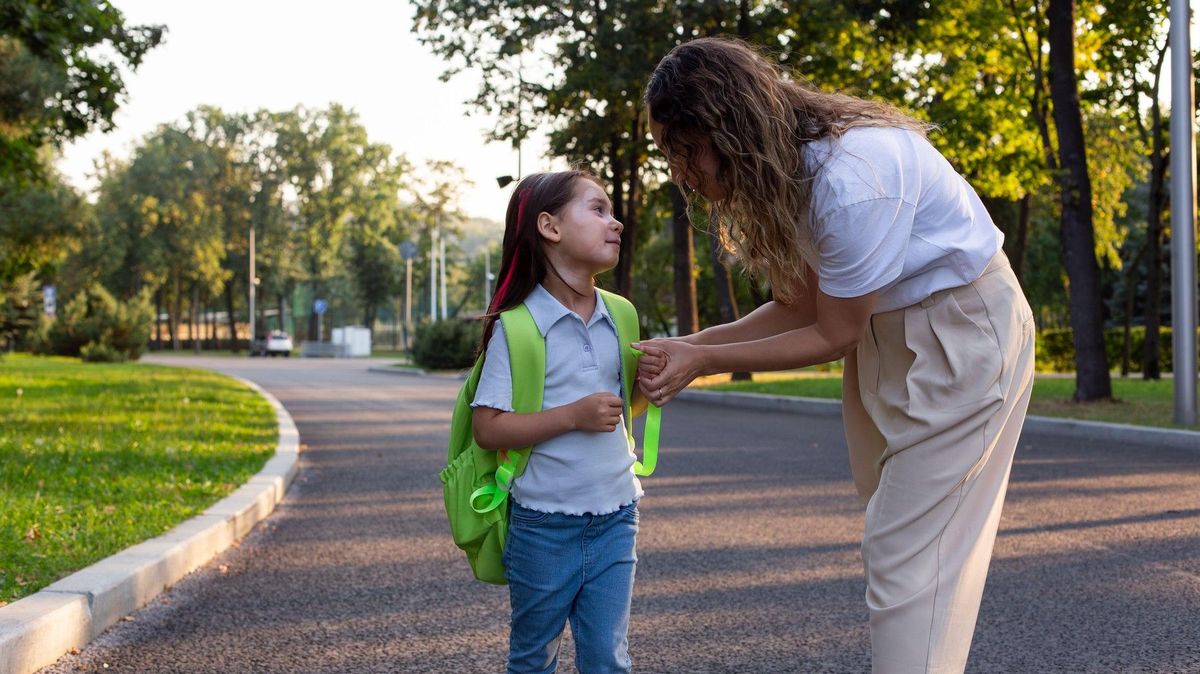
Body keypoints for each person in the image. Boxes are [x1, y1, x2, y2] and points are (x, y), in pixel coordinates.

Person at [634, 37, 1035, 674]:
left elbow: (834, 333)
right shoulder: (791, 172)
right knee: (895, 529)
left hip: (960, 330)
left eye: (683, 152)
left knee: (908, 550)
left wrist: (701, 365)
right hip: (889, 332)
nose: (680, 172)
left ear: (726, 129)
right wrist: (690, 346)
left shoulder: (855, 176)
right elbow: (800, 306)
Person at [472, 169, 650, 674]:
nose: (615, 223)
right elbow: (489, 427)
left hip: (617, 514)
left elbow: (619, 410)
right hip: (543, 523)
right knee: (534, 655)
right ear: (549, 227)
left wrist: (649, 389)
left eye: (612, 212)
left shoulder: (622, 314)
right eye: (597, 210)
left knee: (607, 657)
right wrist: (572, 415)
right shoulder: (520, 326)